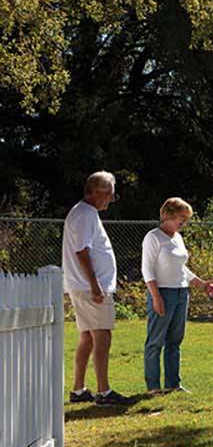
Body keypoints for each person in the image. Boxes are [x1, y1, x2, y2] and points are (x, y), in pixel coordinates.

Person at [62, 171, 129, 406]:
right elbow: (82, 251)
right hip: (89, 288)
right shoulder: (85, 214)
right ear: (98, 192)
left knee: (88, 338)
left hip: (82, 286)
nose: (111, 199)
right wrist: (96, 286)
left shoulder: (83, 212)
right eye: (110, 195)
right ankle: (103, 391)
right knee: (102, 335)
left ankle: (79, 390)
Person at [141, 198, 213, 393]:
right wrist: (156, 297)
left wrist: (202, 284)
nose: (184, 222)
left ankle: (173, 384)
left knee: (174, 341)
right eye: (181, 217)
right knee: (155, 342)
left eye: (186, 218)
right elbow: (147, 268)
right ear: (167, 215)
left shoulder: (177, 237)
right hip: (162, 292)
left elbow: (181, 267)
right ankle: (153, 387)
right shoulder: (153, 237)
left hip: (181, 293)